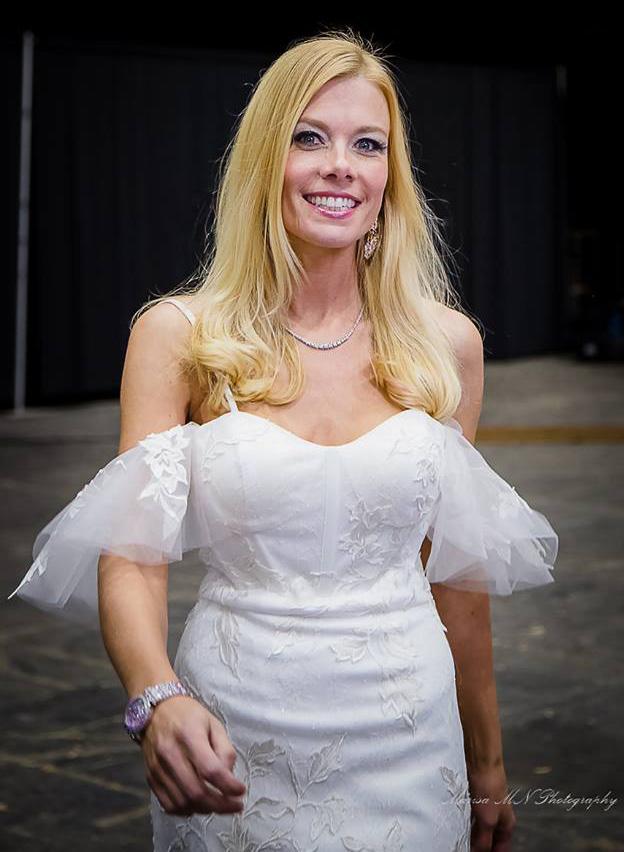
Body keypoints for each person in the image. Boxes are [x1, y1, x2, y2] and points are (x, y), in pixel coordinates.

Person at [7, 29, 559, 852]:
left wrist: (487, 763)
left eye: (367, 144)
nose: (341, 165)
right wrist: (156, 699)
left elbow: (454, 577)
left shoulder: (446, 347)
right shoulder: (180, 335)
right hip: (235, 728)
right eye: (310, 137)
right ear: (267, 159)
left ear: (390, 174)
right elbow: (131, 555)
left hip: (411, 733)